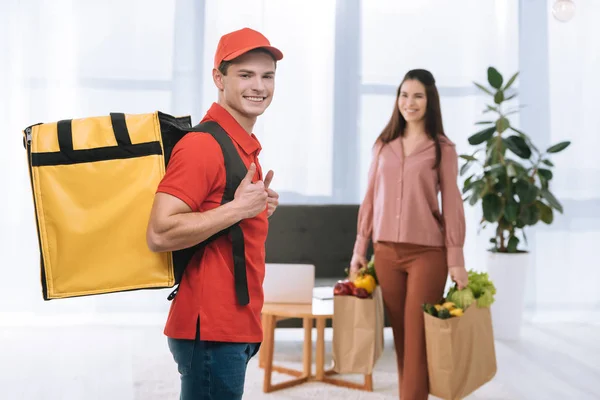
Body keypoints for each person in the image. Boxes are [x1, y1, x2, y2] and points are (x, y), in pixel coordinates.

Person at [145, 27, 283, 399]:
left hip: (234, 324)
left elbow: (220, 216)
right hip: (211, 329)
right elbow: (159, 233)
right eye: (245, 74)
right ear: (218, 79)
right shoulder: (203, 145)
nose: (259, 86)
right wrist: (239, 208)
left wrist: (254, 209)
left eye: (267, 76)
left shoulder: (241, 146)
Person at [350, 69, 468, 400]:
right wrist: (361, 248)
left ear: (430, 101)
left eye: (418, 96)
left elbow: (453, 204)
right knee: (403, 338)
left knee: (418, 338)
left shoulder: (442, 148)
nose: (409, 102)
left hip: (428, 254)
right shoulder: (383, 146)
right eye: (404, 95)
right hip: (385, 252)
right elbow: (371, 199)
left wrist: (456, 259)